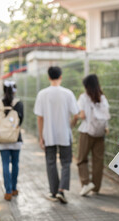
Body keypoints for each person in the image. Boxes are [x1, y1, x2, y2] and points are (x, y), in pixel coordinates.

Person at [34, 66, 79, 204]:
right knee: (66, 163)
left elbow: (40, 117)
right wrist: (70, 125)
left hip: (49, 134)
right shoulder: (68, 93)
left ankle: (53, 192)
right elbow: (76, 114)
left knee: (50, 162)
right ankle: (61, 191)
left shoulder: (42, 94)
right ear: (61, 77)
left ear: (48, 77)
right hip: (65, 134)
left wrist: (41, 136)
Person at [76, 74, 110, 196]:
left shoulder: (83, 98)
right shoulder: (102, 98)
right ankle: (96, 187)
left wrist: (79, 115)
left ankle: (86, 183)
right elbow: (106, 116)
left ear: (86, 86)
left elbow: (82, 115)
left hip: (86, 131)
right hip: (100, 133)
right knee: (98, 160)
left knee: (82, 159)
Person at [0, 80, 24, 201]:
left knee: (5, 164)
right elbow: (21, 121)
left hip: (1, 140)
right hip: (15, 139)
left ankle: (7, 192)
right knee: (15, 164)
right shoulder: (18, 103)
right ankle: (14, 188)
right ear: (14, 90)